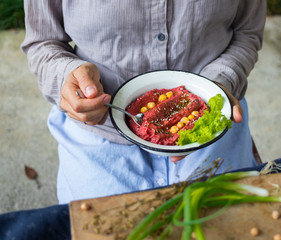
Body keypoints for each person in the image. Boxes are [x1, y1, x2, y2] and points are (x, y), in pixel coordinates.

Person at [21, 1, 267, 204]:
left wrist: (219, 84)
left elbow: (247, 32)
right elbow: (43, 41)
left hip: (210, 128)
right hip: (100, 131)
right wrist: (68, 76)